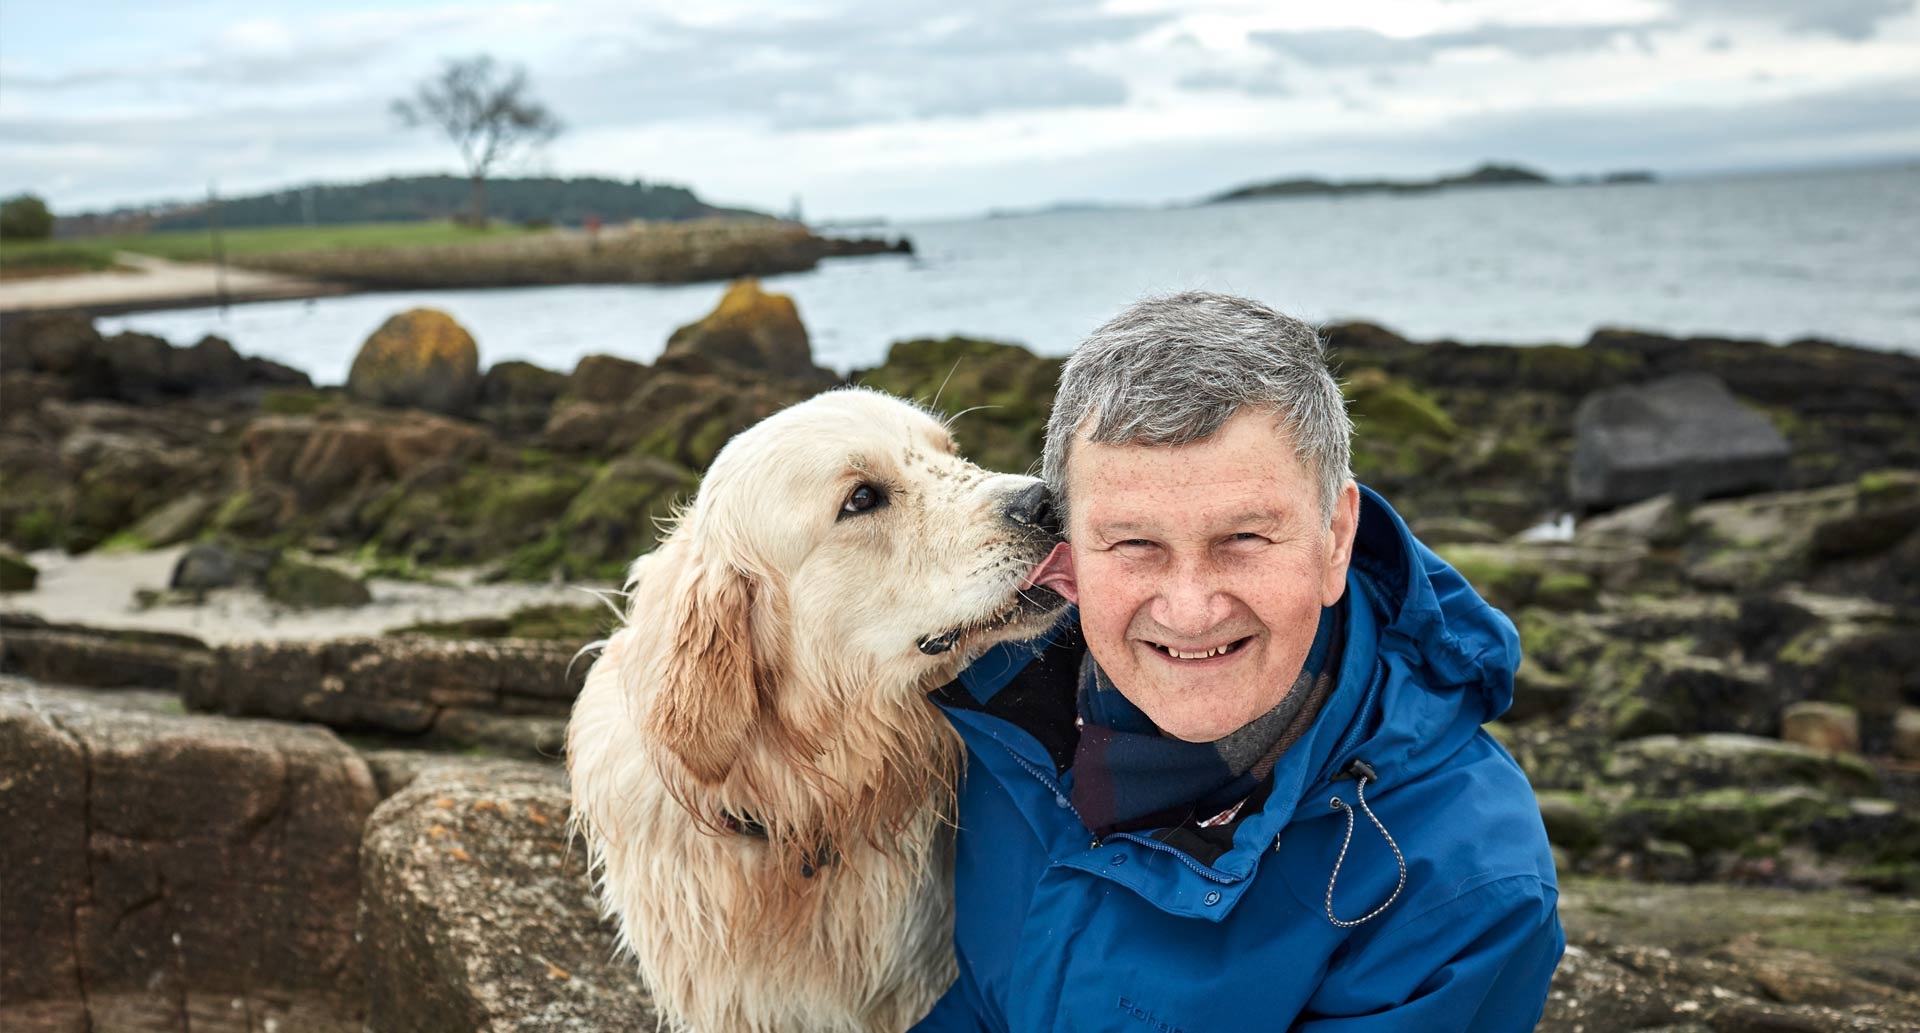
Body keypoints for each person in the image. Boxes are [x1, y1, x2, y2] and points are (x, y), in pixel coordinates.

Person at [915, 292, 1563, 1032]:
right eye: (1133, 544)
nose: (1190, 610)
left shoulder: (1458, 882)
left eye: (1245, 539)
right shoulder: (976, 702)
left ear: (1337, 537)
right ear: (1066, 553)